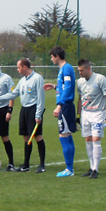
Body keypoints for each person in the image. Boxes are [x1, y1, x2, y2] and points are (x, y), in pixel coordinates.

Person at [0, 58, 46, 173]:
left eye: (18, 67)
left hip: (33, 110)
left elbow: (41, 98)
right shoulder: (22, 80)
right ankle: (26, 164)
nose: (17, 70)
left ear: (24, 67)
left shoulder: (37, 79)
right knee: (26, 137)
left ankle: (42, 165)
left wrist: (38, 114)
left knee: (38, 137)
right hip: (24, 110)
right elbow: (13, 94)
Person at [76, 59, 106, 179]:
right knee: (88, 139)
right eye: (78, 71)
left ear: (88, 68)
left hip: (98, 113)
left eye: (81, 71)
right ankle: (91, 167)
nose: (80, 73)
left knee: (96, 139)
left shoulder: (100, 79)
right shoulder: (80, 82)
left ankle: (96, 169)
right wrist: (78, 115)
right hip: (86, 114)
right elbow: (80, 99)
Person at [43, 46, 77, 177]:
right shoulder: (64, 69)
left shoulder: (67, 68)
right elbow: (64, 86)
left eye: (52, 56)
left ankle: (69, 169)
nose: (51, 59)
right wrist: (54, 86)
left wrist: (59, 105)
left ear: (57, 56)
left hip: (66, 106)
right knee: (66, 135)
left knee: (64, 136)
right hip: (66, 105)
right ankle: (70, 168)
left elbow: (68, 88)